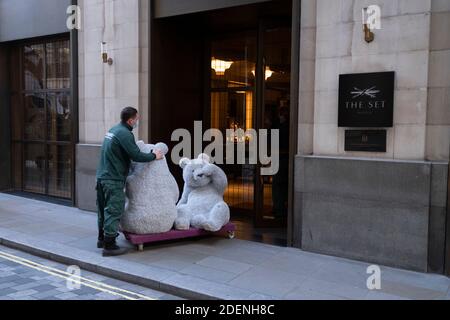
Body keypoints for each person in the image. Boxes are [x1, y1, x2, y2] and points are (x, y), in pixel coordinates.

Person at [95, 107, 164, 256]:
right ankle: (110, 245)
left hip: (102, 176)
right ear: (130, 120)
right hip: (113, 178)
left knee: (102, 209)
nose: (137, 122)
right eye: (137, 119)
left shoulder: (114, 129)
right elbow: (136, 155)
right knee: (114, 209)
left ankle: (101, 239)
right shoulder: (125, 134)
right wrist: (153, 156)